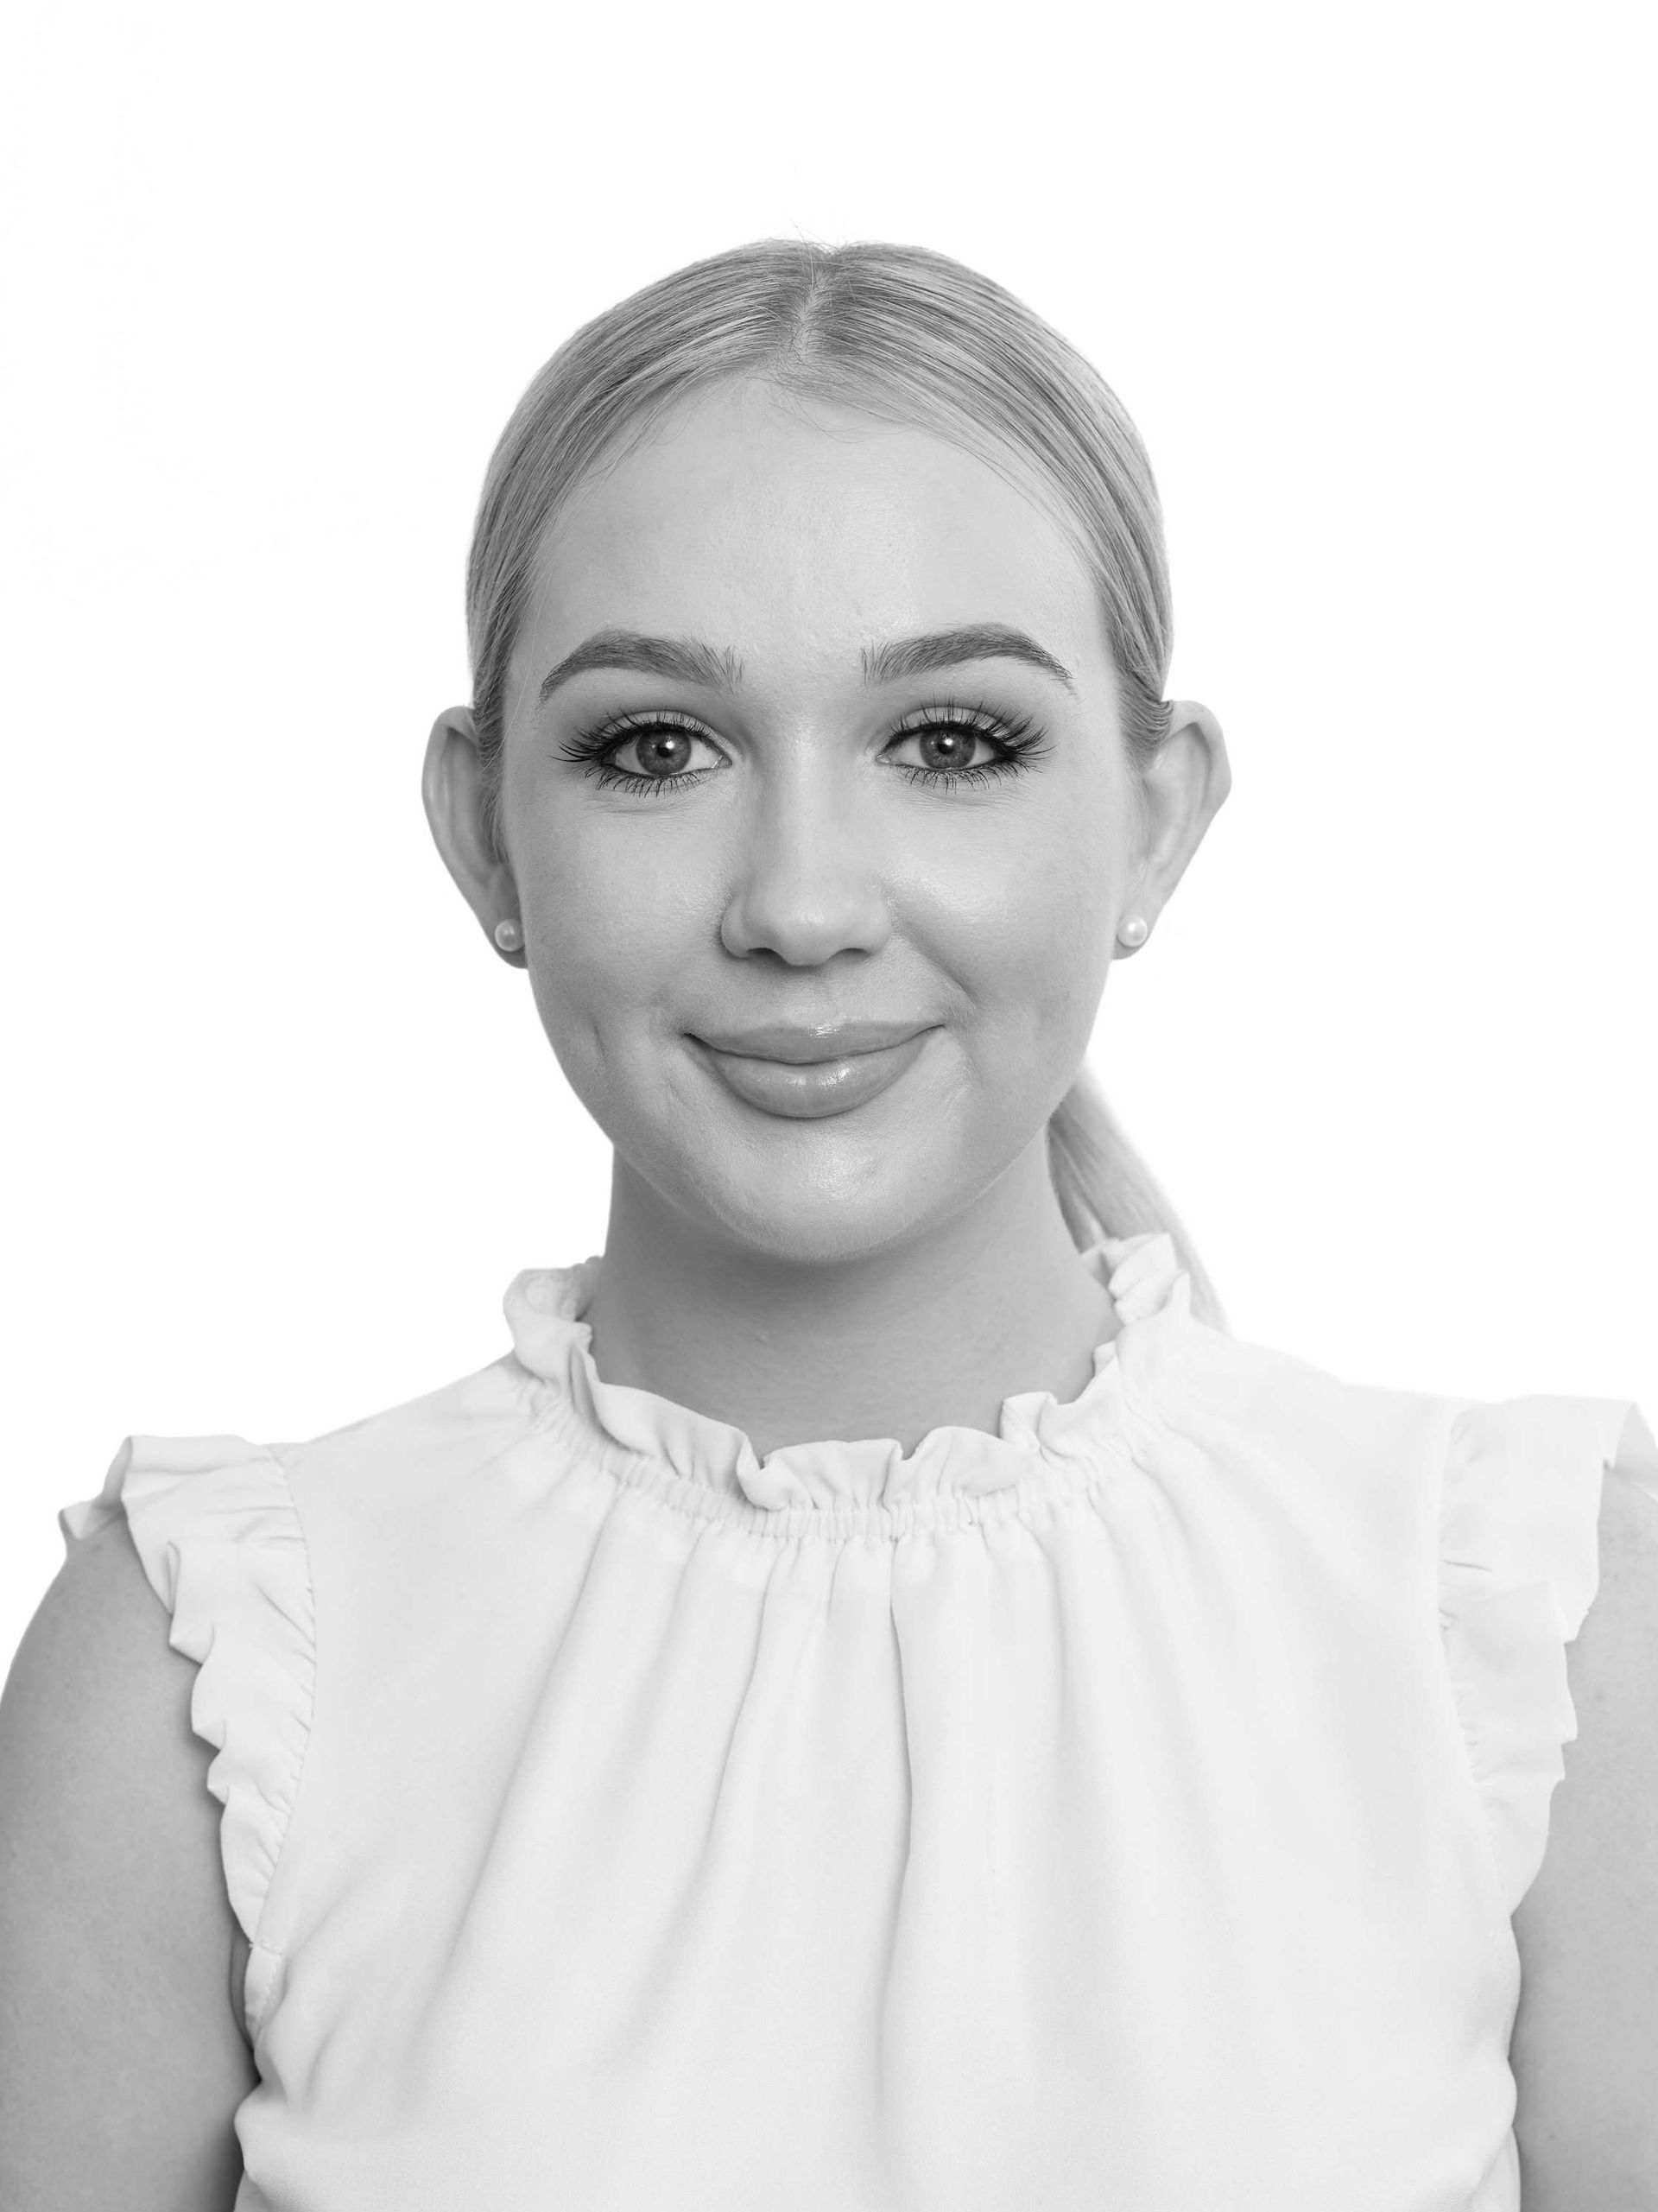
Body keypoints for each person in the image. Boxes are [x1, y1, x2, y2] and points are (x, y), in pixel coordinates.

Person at [2, 238, 1655, 2212]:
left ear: (1157, 816)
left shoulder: (1529, 1620)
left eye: (952, 744)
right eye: (654, 748)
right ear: (482, 832)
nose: (801, 898)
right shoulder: (199, 1669)